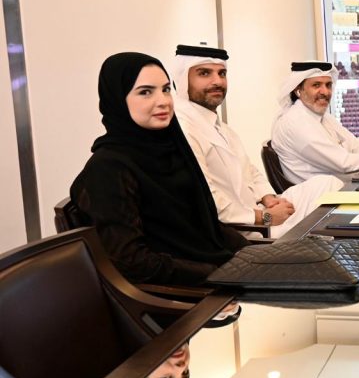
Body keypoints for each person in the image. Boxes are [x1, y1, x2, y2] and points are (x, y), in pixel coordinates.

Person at [70, 52, 248, 285]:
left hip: (212, 273)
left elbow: (203, 224)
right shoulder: (109, 168)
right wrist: (215, 274)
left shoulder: (171, 147)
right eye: (145, 92)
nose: (163, 101)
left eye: (165, 90)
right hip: (179, 294)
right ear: (118, 99)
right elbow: (131, 262)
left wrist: (251, 255)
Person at [172, 45, 341, 237]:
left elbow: (250, 170)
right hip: (247, 230)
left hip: (260, 210)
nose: (217, 81)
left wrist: (268, 197)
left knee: (329, 184)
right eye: (204, 73)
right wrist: (265, 217)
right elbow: (208, 200)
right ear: (182, 79)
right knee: (325, 221)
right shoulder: (183, 129)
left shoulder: (220, 126)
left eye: (222, 73)